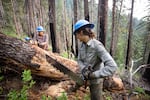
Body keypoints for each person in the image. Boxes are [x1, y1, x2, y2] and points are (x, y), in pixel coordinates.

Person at [73, 19, 118, 100]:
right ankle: (73, 90)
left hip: (96, 81)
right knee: (77, 85)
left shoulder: (97, 46)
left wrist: (94, 75)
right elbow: (79, 60)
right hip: (84, 76)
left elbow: (112, 67)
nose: (76, 36)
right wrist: (84, 69)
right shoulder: (82, 45)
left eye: (76, 34)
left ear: (82, 32)